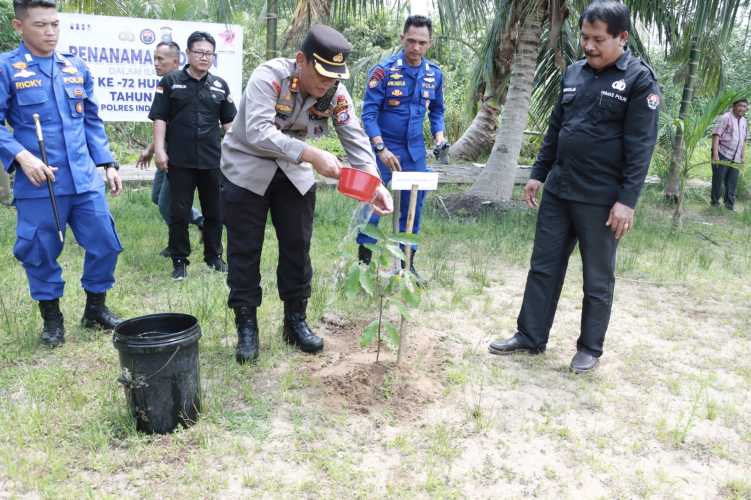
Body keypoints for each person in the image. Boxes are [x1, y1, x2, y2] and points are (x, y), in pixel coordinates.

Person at [487, 1, 660, 373]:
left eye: (598, 39)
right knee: (543, 267)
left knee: (597, 277)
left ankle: (589, 349)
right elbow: (555, 129)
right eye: (584, 37)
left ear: (622, 37)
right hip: (560, 190)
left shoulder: (638, 80)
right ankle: (530, 336)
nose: (589, 46)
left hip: (602, 200)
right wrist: (537, 172)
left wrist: (627, 202)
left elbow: (642, 146)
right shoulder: (574, 73)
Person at [220, 24, 393, 364]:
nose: (327, 84)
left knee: (298, 246)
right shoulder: (269, 77)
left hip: (294, 172)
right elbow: (256, 132)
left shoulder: (336, 93)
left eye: (335, 77)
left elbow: (356, 140)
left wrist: (375, 184)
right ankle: (246, 325)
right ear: (301, 60)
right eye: (322, 74)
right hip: (246, 168)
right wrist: (313, 155)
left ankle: (295, 321)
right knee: (245, 249)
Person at [0, 0, 123, 347]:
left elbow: (91, 121)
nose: (50, 32)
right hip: (39, 181)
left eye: (54, 24)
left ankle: (96, 309)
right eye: (40, 25)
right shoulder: (7, 68)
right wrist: (22, 157)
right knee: (39, 250)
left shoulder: (74, 67)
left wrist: (106, 163)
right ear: (18, 26)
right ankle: (52, 319)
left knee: (105, 242)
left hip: (83, 179)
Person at [356, 15, 446, 281]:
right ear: (402, 39)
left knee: (412, 208)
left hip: (414, 152)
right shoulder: (383, 71)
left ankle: (407, 265)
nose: (415, 48)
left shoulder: (434, 75)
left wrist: (439, 137)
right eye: (411, 41)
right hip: (384, 149)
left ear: (429, 43)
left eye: (421, 42)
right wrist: (381, 149)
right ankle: (364, 266)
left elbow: (437, 110)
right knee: (373, 205)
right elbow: (369, 115)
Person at [149, 31, 236, 280]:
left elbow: (229, 125)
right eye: (199, 52)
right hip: (180, 160)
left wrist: (234, 154)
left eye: (209, 53)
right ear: (188, 53)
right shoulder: (170, 82)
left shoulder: (219, 85)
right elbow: (159, 118)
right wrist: (159, 150)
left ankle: (213, 257)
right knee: (179, 212)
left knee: (215, 213)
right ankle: (179, 261)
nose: (204, 57)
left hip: (212, 161)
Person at [136, 41, 204, 256]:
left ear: (175, 61)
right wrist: (152, 149)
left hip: (180, 158)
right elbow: (163, 124)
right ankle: (201, 221)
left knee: (167, 205)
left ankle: (178, 244)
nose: (156, 63)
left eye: (160, 59)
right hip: (166, 153)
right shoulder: (167, 84)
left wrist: (154, 150)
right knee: (157, 197)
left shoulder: (184, 86)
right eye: (154, 58)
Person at [711, 98, 747, 211]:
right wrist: (715, 154)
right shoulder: (725, 117)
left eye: (744, 106)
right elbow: (716, 135)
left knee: (732, 182)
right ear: (734, 106)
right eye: (740, 105)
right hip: (722, 153)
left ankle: (729, 205)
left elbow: (743, 140)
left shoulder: (744, 121)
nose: (742, 108)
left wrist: (742, 156)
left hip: (736, 157)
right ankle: (715, 203)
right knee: (718, 179)